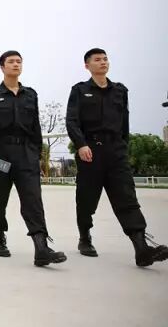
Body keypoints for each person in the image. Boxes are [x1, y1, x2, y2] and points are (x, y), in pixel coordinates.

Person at [66, 48, 168, 266]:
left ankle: (141, 248)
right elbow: (72, 121)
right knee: (86, 200)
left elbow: (125, 123)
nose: (103, 62)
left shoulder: (120, 91)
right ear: (87, 65)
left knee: (127, 198)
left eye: (105, 59)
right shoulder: (80, 90)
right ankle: (85, 238)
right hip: (90, 152)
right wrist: (81, 145)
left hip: (116, 152)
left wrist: (123, 147)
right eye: (97, 60)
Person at [0, 50, 66, 267]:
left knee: (33, 200)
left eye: (19, 62)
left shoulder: (30, 95)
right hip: (0, 155)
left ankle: (41, 247)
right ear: (2, 67)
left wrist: (37, 154)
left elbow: (36, 128)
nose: (16, 64)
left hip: (26, 154)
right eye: (11, 62)